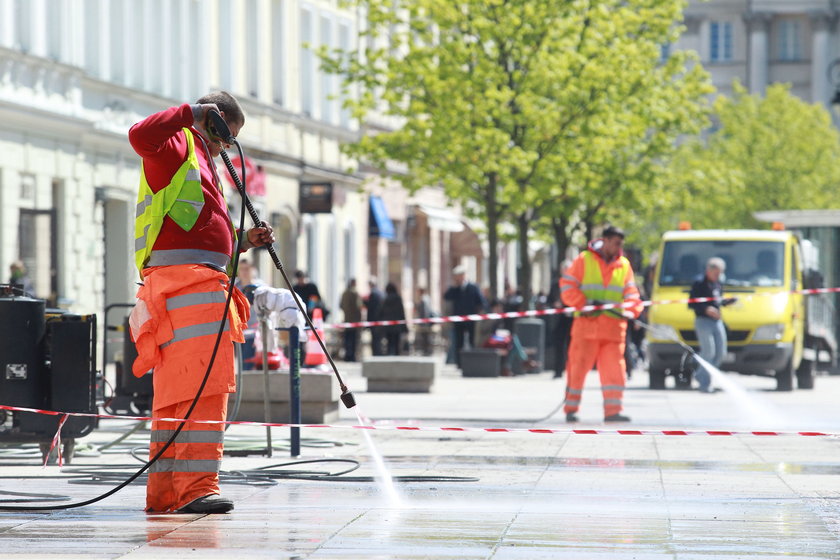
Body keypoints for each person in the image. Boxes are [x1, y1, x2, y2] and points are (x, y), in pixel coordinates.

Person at [128, 92, 275, 514]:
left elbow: (198, 235)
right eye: (229, 134)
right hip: (189, 292)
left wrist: (243, 241)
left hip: (186, 286)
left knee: (177, 396)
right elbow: (140, 136)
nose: (228, 145)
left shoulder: (200, 162)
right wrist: (190, 115)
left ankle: (168, 493)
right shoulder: (179, 145)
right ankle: (196, 489)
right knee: (206, 392)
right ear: (216, 120)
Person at [560, 225, 642, 423]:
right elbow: (567, 287)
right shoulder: (583, 260)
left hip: (613, 330)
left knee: (615, 372)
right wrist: (586, 303)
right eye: (615, 243)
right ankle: (571, 409)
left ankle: (613, 411)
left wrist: (632, 310)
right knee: (577, 369)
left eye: (620, 244)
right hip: (586, 328)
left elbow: (632, 294)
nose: (618, 247)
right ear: (604, 240)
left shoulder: (623, 265)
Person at [689, 257, 735, 393]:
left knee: (720, 352)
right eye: (716, 273)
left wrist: (727, 302)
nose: (718, 276)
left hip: (717, 321)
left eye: (720, 273)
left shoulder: (717, 283)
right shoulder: (699, 283)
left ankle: (700, 374)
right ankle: (704, 382)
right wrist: (706, 309)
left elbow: (717, 301)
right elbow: (691, 303)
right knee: (709, 351)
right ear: (708, 270)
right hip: (703, 321)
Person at [444, 265, 487, 367]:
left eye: (458, 276)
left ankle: (471, 362)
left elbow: (481, 302)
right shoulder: (454, 289)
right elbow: (446, 296)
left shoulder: (473, 287)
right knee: (458, 342)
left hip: (471, 320)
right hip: (458, 320)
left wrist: (479, 314)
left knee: (472, 341)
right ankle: (459, 364)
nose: (456, 278)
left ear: (463, 276)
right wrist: (454, 287)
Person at [234, 258, 265, 369]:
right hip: (236, 332)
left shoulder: (260, 288)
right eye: (241, 269)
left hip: (253, 334)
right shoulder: (234, 286)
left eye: (247, 269)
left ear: (252, 270)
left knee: (247, 367)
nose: (244, 272)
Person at [553, 259, 574, 379]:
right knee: (559, 345)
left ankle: (571, 369)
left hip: (572, 319)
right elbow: (550, 300)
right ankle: (558, 370)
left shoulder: (575, 284)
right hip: (559, 320)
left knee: (572, 347)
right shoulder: (556, 284)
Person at [381, 282, 408, 355]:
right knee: (396, 343)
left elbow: (382, 312)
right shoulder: (398, 298)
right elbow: (401, 312)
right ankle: (396, 357)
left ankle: (390, 357)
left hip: (388, 325)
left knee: (389, 343)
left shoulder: (386, 299)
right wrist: (404, 326)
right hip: (397, 326)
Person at [339, 278, 363, 361]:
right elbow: (359, 306)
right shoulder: (355, 293)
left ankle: (347, 356)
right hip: (354, 321)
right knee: (354, 341)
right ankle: (352, 356)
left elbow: (341, 305)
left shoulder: (344, 293)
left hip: (347, 320)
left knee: (347, 340)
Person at [365, 278, 385, 356]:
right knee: (379, 339)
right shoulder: (381, 293)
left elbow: (371, 307)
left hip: (374, 320)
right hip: (381, 320)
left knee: (375, 339)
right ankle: (379, 354)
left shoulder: (373, 293)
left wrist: (365, 303)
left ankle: (376, 355)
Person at [414, 287, 435, 356]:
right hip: (426, 321)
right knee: (426, 336)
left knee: (425, 337)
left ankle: (427, 351)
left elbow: (425, 311)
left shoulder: (423, 300)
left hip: (425, 322)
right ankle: (427, 350)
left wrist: (424, 321)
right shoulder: (427, 298)